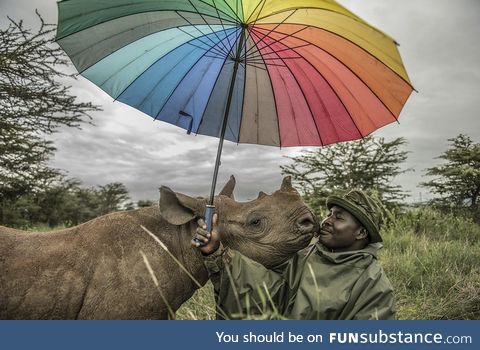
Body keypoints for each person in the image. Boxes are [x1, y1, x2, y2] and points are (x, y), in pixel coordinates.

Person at [193, 190, 395, 320]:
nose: (326, 221)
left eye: (338, 218)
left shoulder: (373, 286)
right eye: (329, 214)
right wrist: (217, 251)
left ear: (361, 232)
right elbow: (270, 290)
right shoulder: (307, 255)